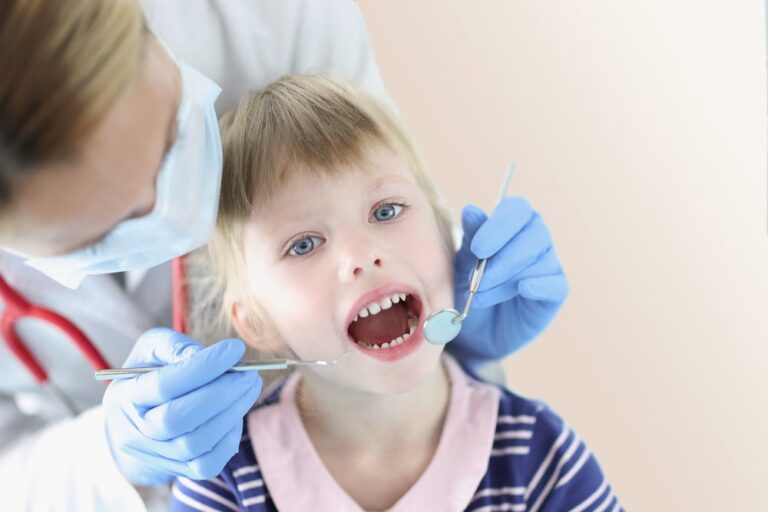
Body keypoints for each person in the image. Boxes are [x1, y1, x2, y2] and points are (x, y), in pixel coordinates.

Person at [0, 0, 567, 509]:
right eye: (103, 230)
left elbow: (379, 170)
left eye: (169, 144)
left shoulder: (538, 455)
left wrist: (462, 314)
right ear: (253, 323)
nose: (167, 211)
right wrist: (111, 455)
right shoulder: (229, 492)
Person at [169, 74, 619, 512]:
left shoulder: (543, 461)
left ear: (447, 235)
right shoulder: (224, 482)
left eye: (386, 210)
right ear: (255, 320)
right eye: (303, 244)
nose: (361, 254)